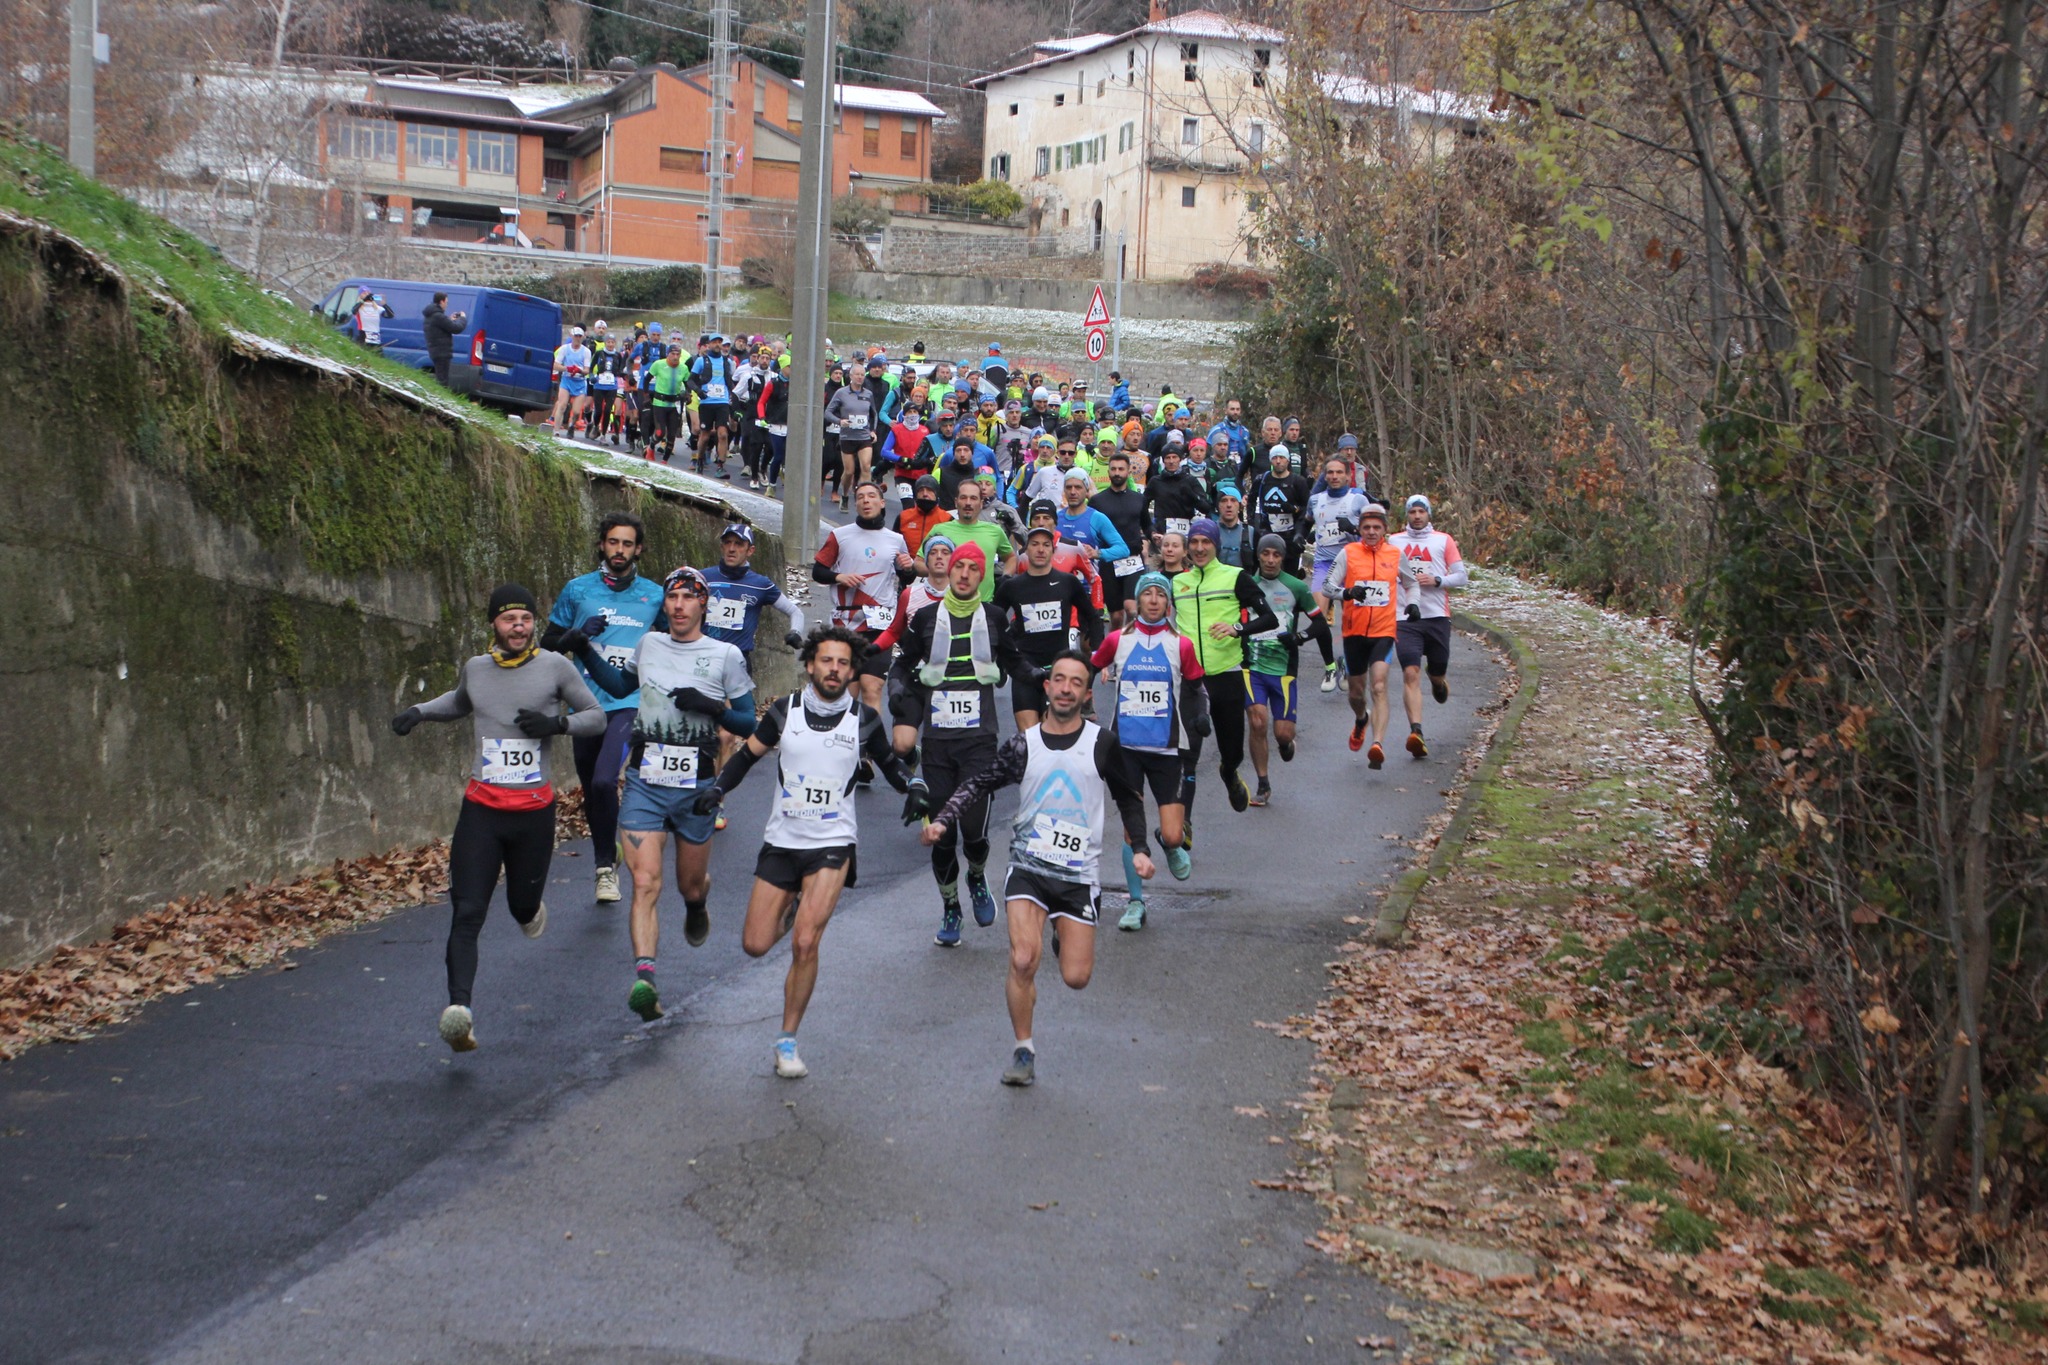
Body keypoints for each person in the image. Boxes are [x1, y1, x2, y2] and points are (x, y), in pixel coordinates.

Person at [921, 652, 1154, 1086]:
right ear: (1046, 688)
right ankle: (1023, 1049)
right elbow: (979, 783)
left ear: (1087, 694)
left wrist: (1139, 848)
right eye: (1058, 679)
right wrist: (943, 819)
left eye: (1076, 683)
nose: (1065, 688)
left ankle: (1062, 935)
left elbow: (1128, 798)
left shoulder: (1102, 743)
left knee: (1076, 977)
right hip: (1028, 868)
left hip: (1078, 876)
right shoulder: (1023, 745)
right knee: (1023, 960)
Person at [392, 583, 606, 1051]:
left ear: (533, 624)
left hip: (532, 814)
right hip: (482, 811)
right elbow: (459, 701)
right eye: (509, 619)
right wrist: (418, 712)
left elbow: (597, 716)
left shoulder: (556, 667)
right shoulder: (477, 668)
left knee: (520, 908)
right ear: (494, 623)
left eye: (526, 619)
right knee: (467, 911)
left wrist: (558, 724)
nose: (518, 627)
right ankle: (459, 1012)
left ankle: (530, 909)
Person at [691, 626, 912, 1077]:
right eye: (826, 661)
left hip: (832, 844)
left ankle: (787, 1041)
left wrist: (917, 788)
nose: (834, 670)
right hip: (783, 841)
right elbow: (747, 756)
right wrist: (717, 788)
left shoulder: (863, 719)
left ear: (852, 670)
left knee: (806, 943)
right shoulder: (784, 711)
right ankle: (791, 911)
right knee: (755, 944)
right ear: (810, 664)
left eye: (843, 663)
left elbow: (892, 766)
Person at [568, 567, 758, 1022]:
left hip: (695, 787)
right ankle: (645, 981)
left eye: (688, 598)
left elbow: (750, 724)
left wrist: (712, 707)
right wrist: (584, 650)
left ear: (703, 605)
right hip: (645, 781)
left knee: (687, 885)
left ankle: (697, 904)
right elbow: (618, 688)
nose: (677, 605)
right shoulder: (649, 644)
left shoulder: (725, 655)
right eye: (672, 597)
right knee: (646, 882)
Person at [890, 542, 1037, 945]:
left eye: (974, 568)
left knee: (973, 831)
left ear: (982, 576)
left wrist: (1043, 676)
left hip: (979, 739)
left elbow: (1012, 660)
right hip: (937, 741)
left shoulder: (992, 617)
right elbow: (902, 662)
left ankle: (976, 874)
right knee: (943, 835)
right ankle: (951, 906)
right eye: (960, 567)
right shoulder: (923, 617)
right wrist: (899, 690)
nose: (966, 573)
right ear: (951, 572)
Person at [541, 513, 666, 905]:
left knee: (603, 781)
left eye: (627, 544)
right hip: (584, 703)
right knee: (592, 791)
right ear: (601, 544)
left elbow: (671, 640)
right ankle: (604, 850)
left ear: (638, 549)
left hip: (629, 704)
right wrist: (575, 637)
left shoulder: (655, 595)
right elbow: (546, 646)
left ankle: (603, 871)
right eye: (613, 542)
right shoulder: (578, 590)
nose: (620, 550)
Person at [1087, 573, 1205, 930]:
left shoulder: (1181, 645)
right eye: (1147, 594)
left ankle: (1168, 845)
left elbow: (1198, 687)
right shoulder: (1116, 641)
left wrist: (1200, 717)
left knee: (1173, 834)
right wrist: (1080, 701)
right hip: (1126, 750)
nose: (1153, 600)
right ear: (1137, 601)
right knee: (1129, 830)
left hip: (1167, 749)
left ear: (1168, 604)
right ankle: (1135, 903)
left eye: (1160, 595)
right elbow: (1086, 668)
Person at [1173, 518, 1278, 815]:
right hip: (1191, 679)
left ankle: (1229, 773)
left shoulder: (1236, 577)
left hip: (1227, 674)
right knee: (1187, 754)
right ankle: (1183, 823)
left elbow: (1268, 618)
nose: (1199, 547)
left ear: (1216, 545)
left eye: (1206, 542)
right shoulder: (1178, 582)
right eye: (1194, 542)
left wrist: (1237, 627)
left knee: (1232, 752)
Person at [812, 484, 917, 712]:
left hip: (880, 623)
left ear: (882, 503)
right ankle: (846, 743)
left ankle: (871, 746)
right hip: (845, 622)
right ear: (856, 504)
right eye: (860, 497)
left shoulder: (895, 539)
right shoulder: (840, 535)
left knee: (873, 688)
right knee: (848, 692)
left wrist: (907, 569)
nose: (865, 501)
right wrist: (839, 576)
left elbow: (906, 577)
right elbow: (817, 571)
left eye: (871, 496)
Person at [995, 515, 1104, 729]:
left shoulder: (1067, 582)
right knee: (1028, 735)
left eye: (1046, 545)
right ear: (1026, 550)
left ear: (1053, 551)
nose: (1040, 549)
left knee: (1053, 733)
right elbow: (994, 621)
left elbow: (1092, 615)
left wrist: (1096, 653)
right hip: (1024, 669)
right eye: (1034, 544)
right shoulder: (1012, 586)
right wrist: (1004, 654)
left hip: (1058, 669)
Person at [1244, 535, 1326, 804]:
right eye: (1265, 554)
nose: (1270, 560)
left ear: (1282, 558)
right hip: (1251, 666)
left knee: (1282, 732)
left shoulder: (1295, 587)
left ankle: (1286, 743)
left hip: (1283, 669)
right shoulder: (1245, 586)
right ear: (1258, 555)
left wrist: (1299, 637)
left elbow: (1319, 624)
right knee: (1257, 721)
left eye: (1276, 555)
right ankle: (1263, 784)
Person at [1325, 504, 1401, 765]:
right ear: (1359, 529)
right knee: (1357, 695)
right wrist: (1346, 593)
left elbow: (1412, 583)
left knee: (1379, 686)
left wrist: (1412, 603)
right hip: (1354, 632)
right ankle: (1361, 719)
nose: (1371, 532)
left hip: (1384, 631)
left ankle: (1377, 744)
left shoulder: (1395, 554)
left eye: (1376, 528)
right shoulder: (1349, 553)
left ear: (1385, 530)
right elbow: (1327, 586)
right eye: (1366, 527)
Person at [1394, 495, 1468, 757]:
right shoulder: (1394, 542)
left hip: (1437, 615)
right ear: (1406, 515)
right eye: (1412, 512)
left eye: (1420, 512)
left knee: (1436, 671)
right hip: (1404, 618)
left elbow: (1462, 577)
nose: (1416, 516)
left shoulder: (1443, 540)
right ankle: (1417, 731)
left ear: (1428, 515)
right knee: (1410, 674)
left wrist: (1437, 580)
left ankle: (1437, 682)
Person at [702, 523, 806, 673]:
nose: (732, 549)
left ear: (750, 550)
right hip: (703, 658)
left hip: (737, 662)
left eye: (738, 544)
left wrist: (795, 632)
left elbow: (795, 612)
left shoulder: (761, 584)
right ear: (721, 547)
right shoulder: (702, 578)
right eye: (727, 543)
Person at [1307, 457, 1371, 691]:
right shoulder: (1316, 500)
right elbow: (1307, 522)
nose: (1334, 477)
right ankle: (1330, 666)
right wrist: (1301, 536)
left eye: (1338, 473)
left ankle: (1346, 661)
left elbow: (1373, 534)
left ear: (1347, 475)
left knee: (1352, 621)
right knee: (1318, 617)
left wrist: (1353, 529)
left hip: (1352, 564)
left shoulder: (1358, 500)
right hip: (1324, 563)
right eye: (1330, 473)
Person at [1089, 451, 1149, 626]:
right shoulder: (1097, 501)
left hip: (1133, 559)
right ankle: (1115, 648)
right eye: (1113, 469)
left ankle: (1130, 644)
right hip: (1108, 561)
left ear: (1129, 471)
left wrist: (1151, 536)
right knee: (1115, 615)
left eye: (1121, 469)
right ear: (1108, 472)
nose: (1117, 473)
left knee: (1132, 609)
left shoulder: (1139, 499)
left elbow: (1146, 525)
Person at [941, 479, 1015, 598]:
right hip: (947, 602)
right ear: (956, 502)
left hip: (985, 604)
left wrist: (1005, 578)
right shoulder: (940, 530)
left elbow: (1011, 557)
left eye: (973, 498)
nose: (968, 503)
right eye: (963, 497)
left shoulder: (995, 531)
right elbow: (920, 562)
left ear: (981, 503)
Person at [1253, 445, 1310, 565]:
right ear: (1270, 460)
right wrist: (1256, 528)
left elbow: (1307, 509)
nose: (1278, 461)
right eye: (1275, 458)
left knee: (1290, 576)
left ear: (1288, 460)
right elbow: (1252, 504)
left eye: (1282, 458)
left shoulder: (1298, 482)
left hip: (1290, 536)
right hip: (1268, 535)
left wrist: (1300, 531)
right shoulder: (1262, 480)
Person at [893, 474, 953, 559]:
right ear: (915, 494)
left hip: (935, 569)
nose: (925, 494)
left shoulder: (947, 519)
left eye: (929, 490)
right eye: (921, 490)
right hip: (906, 567)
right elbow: (894, 545)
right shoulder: (903, 517)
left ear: (936, 494)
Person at [646, 343, 688, 460]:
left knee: (671, 435)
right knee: (660, 432)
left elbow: (688, 382)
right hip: (659, 403)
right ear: (668, 354)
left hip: (674, 404)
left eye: (678, 354)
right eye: (673, 354)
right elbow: (646, 379)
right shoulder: (658, 364)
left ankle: (665, 461)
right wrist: (646, 395)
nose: (675, 357)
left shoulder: (683, 368)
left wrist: (689, 394)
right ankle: (651, 446)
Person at [551, 327, 593, 436]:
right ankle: (556, 430)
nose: (578, 339)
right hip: (567, 380)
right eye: (576, 336)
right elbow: (555, 365)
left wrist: (579, 370)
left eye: (580, 336)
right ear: (571, 336)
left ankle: (571, 425)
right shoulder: (564, 349)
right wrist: (567, 368)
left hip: (579, 382)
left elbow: (587, 370)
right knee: (562, 405)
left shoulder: (586, 351)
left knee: (576, 412)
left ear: (583, 337)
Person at [422, 292, 467, 388]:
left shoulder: (431, 314)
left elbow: (440, 327)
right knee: (443, 381)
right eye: (446, 302)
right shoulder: (438, 316)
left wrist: (449, 319)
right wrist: (463, 318)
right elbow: (456, 328)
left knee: (440, 378)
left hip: (435, 351)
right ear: (441, 301)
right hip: (442, 352)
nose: (447, 305)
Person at [1210, 484, 1258, 567]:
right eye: (1224, 500)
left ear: (1239, 506)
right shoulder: (1210, 530)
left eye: (1233, 500)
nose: (1229, 505)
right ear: (1218, 505)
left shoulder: (1252, 533)